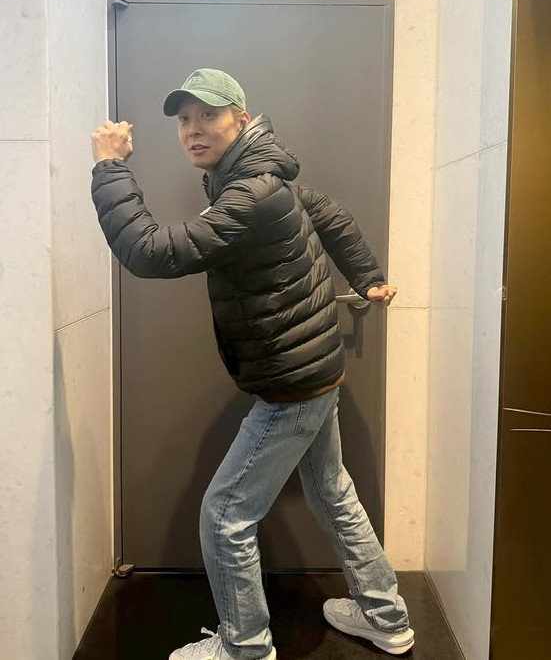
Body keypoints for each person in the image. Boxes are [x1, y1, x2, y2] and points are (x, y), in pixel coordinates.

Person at [90, 69, 414, 659]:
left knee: (225, 515)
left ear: (240, 119)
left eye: (207, 116)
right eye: (183, 119)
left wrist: (111, 168)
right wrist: (367, 277)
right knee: (332, 492)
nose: (193, 129)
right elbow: (329, 213)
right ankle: (385, 616)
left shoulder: (251, 193)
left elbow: (150, 252)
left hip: (294, 382)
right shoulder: (257, 177)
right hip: (313, 369)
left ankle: (245, 647)